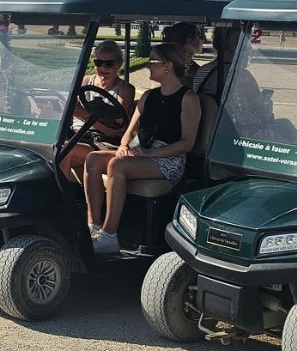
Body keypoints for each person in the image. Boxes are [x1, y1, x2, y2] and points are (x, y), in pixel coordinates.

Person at [83, 42, 200, 255]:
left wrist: (149, 153)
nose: (148, 66)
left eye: (152, 62)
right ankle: (94, 227)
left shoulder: (188, 98)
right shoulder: (148, 96)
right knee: (93, 159)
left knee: (117, 165)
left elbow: (187, 143)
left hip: (170, 159)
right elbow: (130, 131)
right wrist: (123, 145)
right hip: (143, 151)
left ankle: (109, 235)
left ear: (168, 66)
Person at [58, 40, 135, 182]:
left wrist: (86, 116)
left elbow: (117, 131)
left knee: (65, 150)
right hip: (76, 135)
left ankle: (58, 195)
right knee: (46, 147)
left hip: (102, 142)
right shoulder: (85, 81)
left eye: (109, 64)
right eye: (98, 63)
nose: (103, 68)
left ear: (119, 64)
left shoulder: (124, 90)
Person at [162, 22, 204, 87]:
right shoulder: (194, 71)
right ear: (189, 41)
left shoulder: (169, 64)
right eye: (200, 37)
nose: (203, 40)